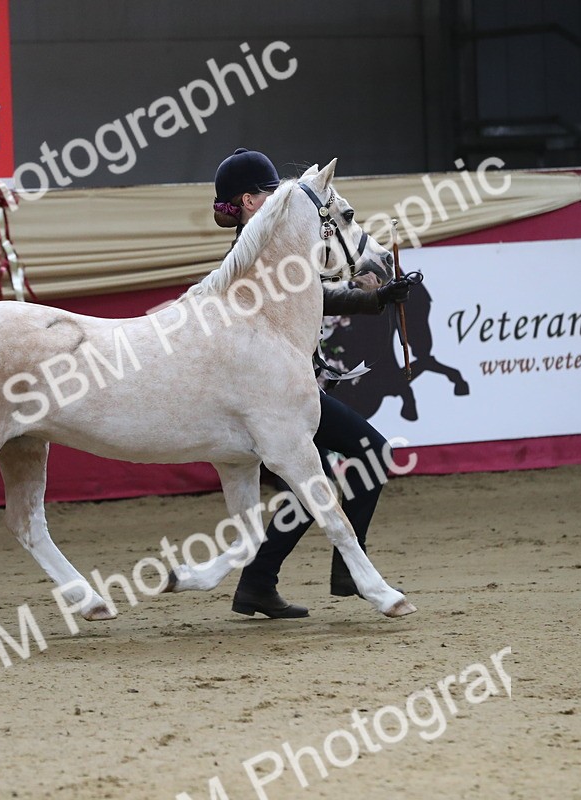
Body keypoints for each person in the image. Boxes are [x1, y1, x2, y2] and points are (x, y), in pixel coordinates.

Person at [210, 148, 417, 618]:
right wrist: (375, 299)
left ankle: (258, 585)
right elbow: (317, 294)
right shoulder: (255, 249)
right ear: (248, 201)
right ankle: (348, 565)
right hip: (273, 393)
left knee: (312, 482)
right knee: (371, 452)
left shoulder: (270, 243)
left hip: (283, 388)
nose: (279, 199)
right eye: (269, 193)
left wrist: (379, 296)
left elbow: (313, 293)